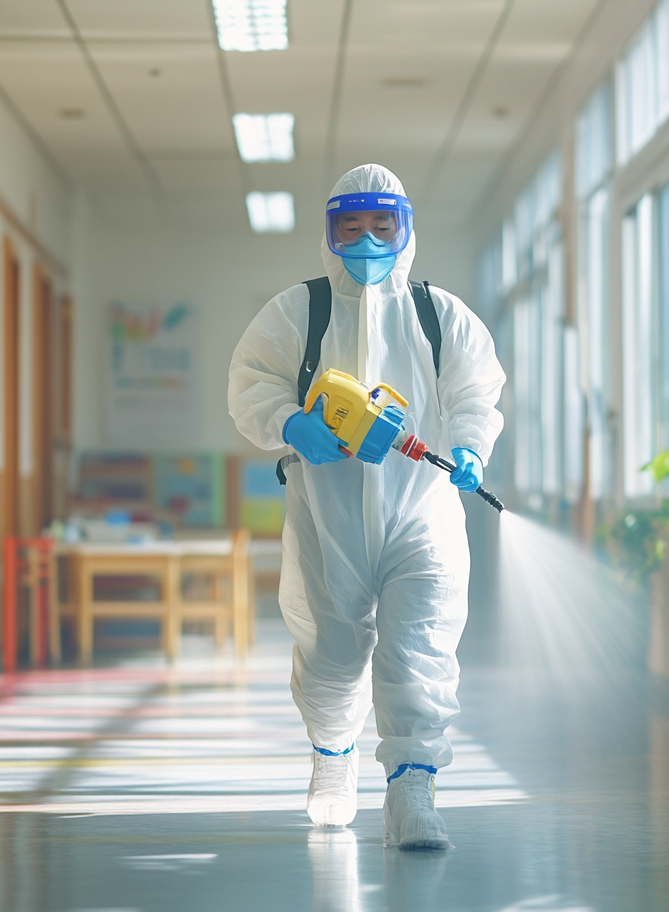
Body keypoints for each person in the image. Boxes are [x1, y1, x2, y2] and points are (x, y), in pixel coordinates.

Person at [227, 164, 505, 848]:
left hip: (425, 516)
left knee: (419, 649)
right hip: (329, 519)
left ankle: (413, 791)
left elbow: (476, 393)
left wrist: (469, 449)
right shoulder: (301, 310)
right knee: (331, 653)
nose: (368, 242)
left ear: (406, 231)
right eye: (351, 229)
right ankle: (332, 755)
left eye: (383, 227)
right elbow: (250, 382)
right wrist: (292, 424)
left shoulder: (439, 315)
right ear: (329, 234)